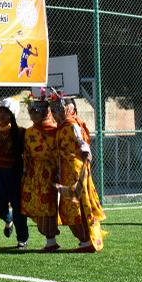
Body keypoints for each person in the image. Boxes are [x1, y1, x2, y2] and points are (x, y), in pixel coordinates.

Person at [51, 91, 105, 252]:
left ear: (69, 108)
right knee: (70, 207)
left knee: (77, 205)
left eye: (59, 109)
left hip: (76, 170)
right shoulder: (61, 127)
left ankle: (87, 241)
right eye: (54, 110)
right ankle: (84, 241)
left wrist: (85, 163)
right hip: (66, 170)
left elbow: (84, 146)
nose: (56, 113)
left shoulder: (73, 125)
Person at [21, 90, 61, 252]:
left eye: (36, 112)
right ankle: (49, 238)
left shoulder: (55, 130)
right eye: (31, 112)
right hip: (35, 174)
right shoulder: (29, 132)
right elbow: (27, 154)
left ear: (45, 112)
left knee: (49, 205)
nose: (33, 116)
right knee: (36, 204)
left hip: (51, 172)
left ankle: (51, 239)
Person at [0, 97, 29, 248]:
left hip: (15, 172)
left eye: (6, 112)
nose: (2, 114)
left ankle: (22, 238)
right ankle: (8, 218)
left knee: (18, 207)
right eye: (1, 110)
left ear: (12, 114)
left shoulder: (21, 132)